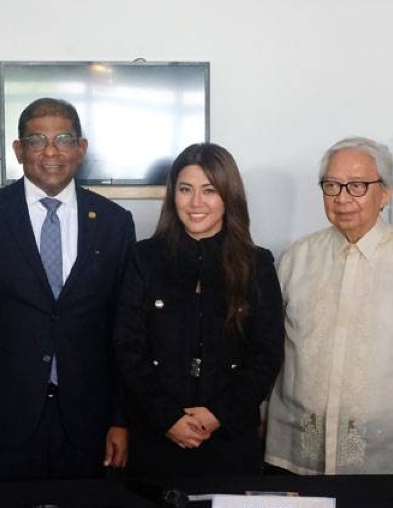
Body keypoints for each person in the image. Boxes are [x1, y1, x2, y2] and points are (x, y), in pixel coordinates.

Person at [0, 98, 136, 480]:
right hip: (2, 421)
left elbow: (124, 331)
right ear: (19, 150)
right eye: (36, 140)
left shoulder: (115, 223)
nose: (51, 150)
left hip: (88, 422)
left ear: (81, 149)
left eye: (63, 138)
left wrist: (121, 419)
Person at [264, 137, 393, 475]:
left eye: (357, 186)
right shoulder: (297, 258)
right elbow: (271, 348)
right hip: (297, 446)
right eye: (331, 185)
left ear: (385, 193)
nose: (342, 198)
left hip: (383, 451)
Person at [114, 143, 283, 477]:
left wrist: (217, 415)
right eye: (185, 190)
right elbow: (127, 347)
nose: (195, 203)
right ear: (172, 194)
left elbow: (266, 354)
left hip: (230, 438)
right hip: (156, 435)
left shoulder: (257, 264)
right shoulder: (143, 259)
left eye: (209, 190)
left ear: (228, 196)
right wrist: (168, 418)